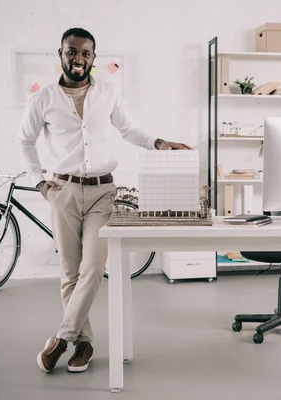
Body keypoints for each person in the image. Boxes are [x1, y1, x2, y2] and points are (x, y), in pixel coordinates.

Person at [18, 27, 191, 374]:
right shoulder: (43, 98)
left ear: (93, 58)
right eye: (72, 52)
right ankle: (84, 342)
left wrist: (159, 143)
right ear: (61, 54)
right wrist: (39, 183)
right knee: (69, 272)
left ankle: (60, 339)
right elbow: (26, 141)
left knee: (94, 268)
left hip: (102, 193)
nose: (78, 59)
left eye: (85, 53)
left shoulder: (108, 92)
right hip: (63, 192)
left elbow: (128, 129)